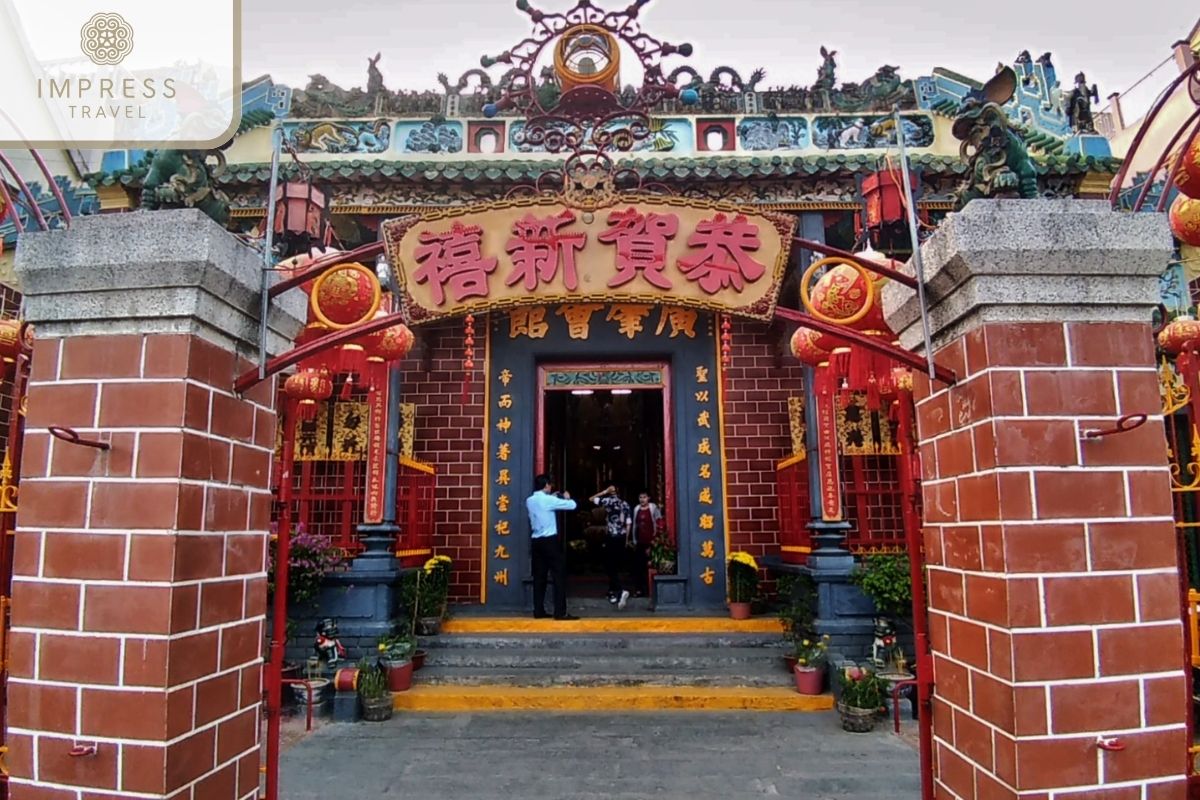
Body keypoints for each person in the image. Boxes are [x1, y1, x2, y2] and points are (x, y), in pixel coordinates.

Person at [526, 474, 579, 621]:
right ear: (546, 486)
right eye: (550, 485)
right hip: (550, 541)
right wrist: (566, 497)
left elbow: (545, 503)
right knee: (558, 575)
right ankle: (560, 612)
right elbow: (572, 505)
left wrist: (554, 497)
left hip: (536, 541)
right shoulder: (548, 500)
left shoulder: (530, 500)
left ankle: (538, 610)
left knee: (539, 577)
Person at [590, 485, 632, 609]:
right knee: (615, 565)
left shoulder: (607, 501)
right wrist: (626, 540)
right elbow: (628, 523)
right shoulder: (625, 504)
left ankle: (619, 590)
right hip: (621, 536)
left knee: (609, 566)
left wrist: (603, 492)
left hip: (611, 536)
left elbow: (591, 499)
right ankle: (612, 593)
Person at [631, 491, 663, 597]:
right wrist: (634, 540)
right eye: (640, 497)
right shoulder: (636, 509)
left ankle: (652, 591)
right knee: (638, 567)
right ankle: (639, 589)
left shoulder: (653, 508)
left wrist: (656, 540)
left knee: (651, 566)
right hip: (640, 542)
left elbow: (659, 523)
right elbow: (635, 525)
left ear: (648, 498)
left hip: (652, 542)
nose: (642, 499)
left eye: (644, 497)